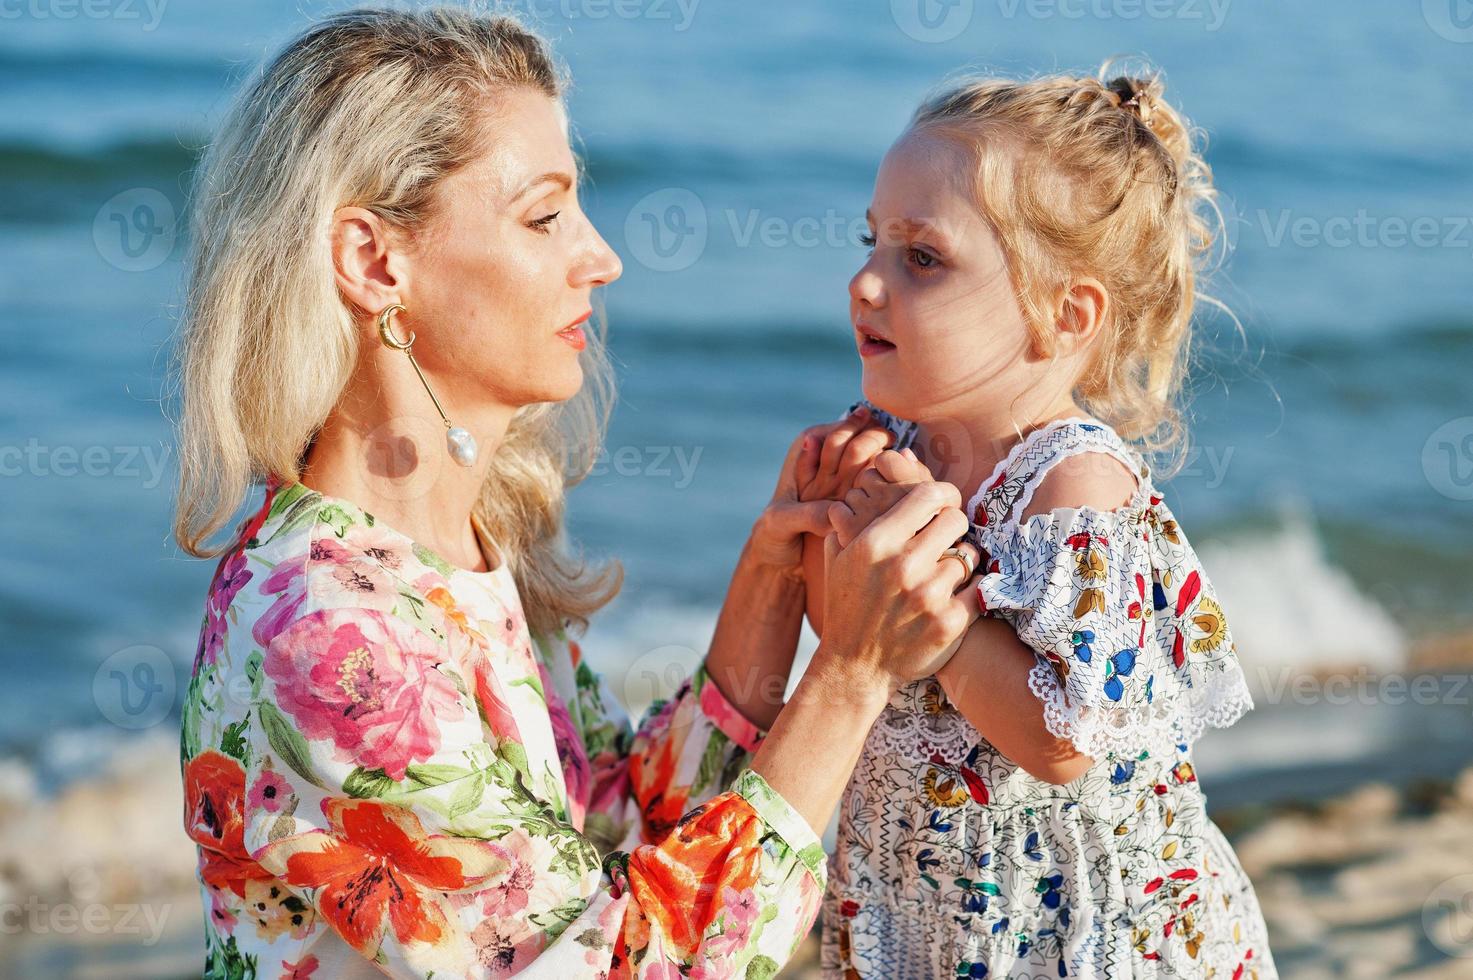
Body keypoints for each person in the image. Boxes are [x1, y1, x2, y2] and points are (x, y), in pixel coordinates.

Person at [170, 8, 981, 977]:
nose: (601, 255)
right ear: (375, 262)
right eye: (544, 215)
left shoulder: (456, 550)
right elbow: (616, 961)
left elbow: (606, 835)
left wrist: (773, 589)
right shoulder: (328, 631)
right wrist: (850, 675)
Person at [794, 70, 1278, 977]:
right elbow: (849, 640)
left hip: (1063, 925)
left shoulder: (1074, 490)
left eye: (920, 258)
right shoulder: (895, 446)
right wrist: (836, 527)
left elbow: (1063, 739)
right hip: (921, 893)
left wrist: (937, 614)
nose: (864, 282)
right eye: (872, 243)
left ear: (1063, 315)